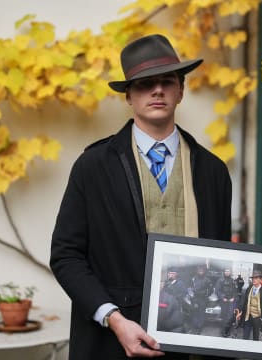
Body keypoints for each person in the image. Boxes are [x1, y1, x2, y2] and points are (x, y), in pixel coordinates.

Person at [49, 33, 232, 360]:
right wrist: (114, 319)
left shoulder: (214, 172)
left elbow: (220, 260)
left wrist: (259, 331)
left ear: (180, 91)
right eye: (145, 84)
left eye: (166, 81)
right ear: (128, 96)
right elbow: (66, 256)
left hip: (189, 349)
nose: (157, 90)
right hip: (111, 343)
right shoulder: (92, 167)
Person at [236, 270, 262, 341]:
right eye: (253, 278)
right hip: (248, 316)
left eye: (256, 278)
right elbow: (245, 302)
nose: (254, 280)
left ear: (260, 280)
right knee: (245, 338)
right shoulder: (249, 288)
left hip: (258, 318)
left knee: (256, 339)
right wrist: (241, 313)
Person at [188, 265, 213, 334]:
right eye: (199, 271)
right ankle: (194, 327)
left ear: (204, 271)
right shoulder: (193, 279)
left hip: (203, 299)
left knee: (201, 313)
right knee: (195, 313)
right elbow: (190, 288)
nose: (200, 272)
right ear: (197, 271)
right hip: (195, 298)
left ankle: (199, 328)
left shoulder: (207, 280)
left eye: (202, 271)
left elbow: (211, 290)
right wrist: (192, 295)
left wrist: (206, 295)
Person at [215, 268, 238, 337]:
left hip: (231, 301)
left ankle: (228, 331)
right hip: (224, 301)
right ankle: (223, 331)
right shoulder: (220, 280)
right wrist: (222, 298)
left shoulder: (232, 281)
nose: (227, 272)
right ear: (224, 272)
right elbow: (217, 291)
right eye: (226, 271)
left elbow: (235, 291)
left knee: (230, 316)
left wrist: (233, 298)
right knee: (224, 317)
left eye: (228, 271)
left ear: (230, 272)